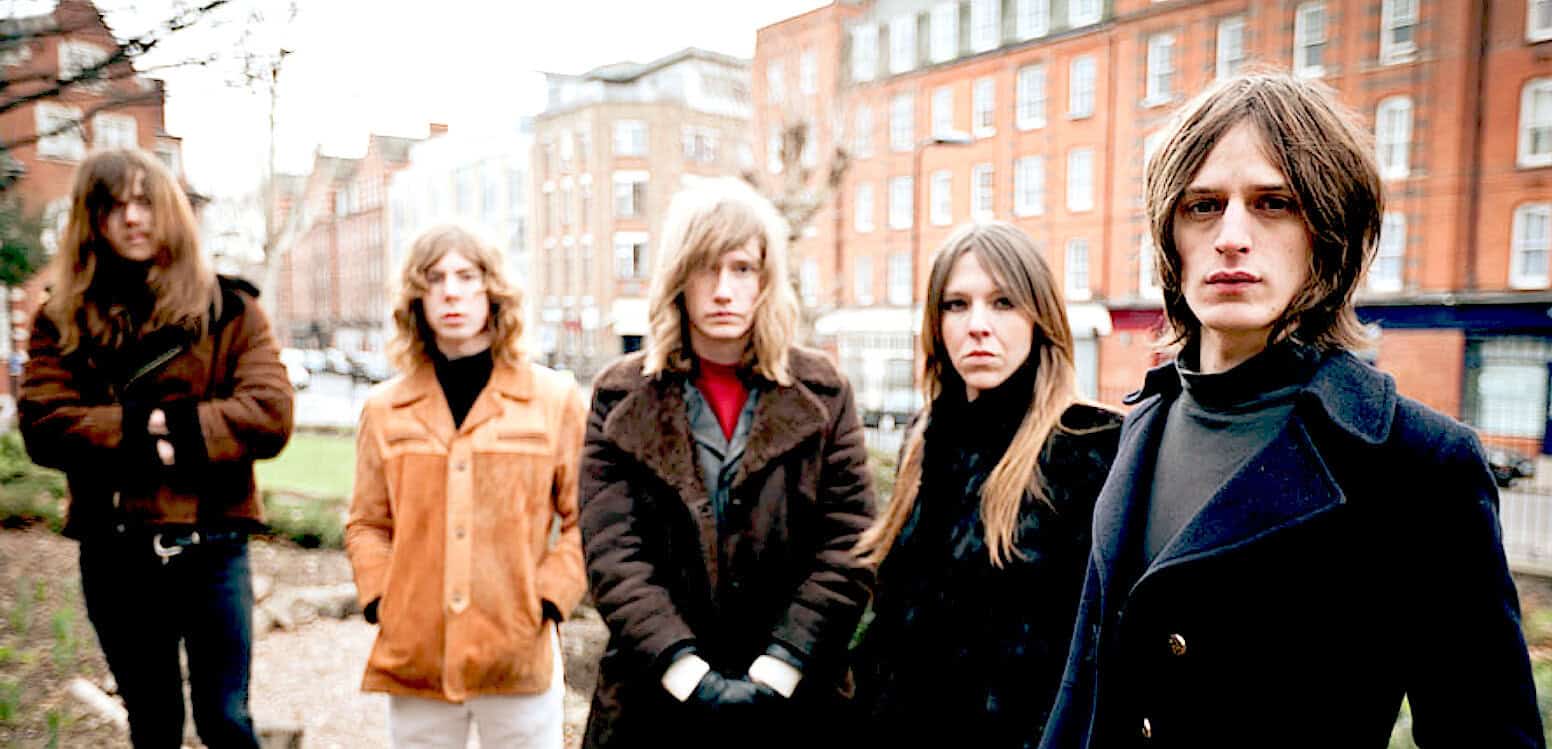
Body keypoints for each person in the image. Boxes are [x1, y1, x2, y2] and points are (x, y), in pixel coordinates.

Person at [1039, 72, 1544, 748]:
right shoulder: (1141, 424)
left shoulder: (1418, 462)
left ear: (1328, 234)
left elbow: (1488, 732)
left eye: (1274, 202)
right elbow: (1083, 696)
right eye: (1202, 205)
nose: (1232, 235)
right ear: (1170, 236)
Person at [578, 177, 876, 749]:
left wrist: (778, 668)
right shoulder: (620, 396)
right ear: (677, 279)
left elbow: (848, 542)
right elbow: (613, 551)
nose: (723, 290)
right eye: (705, 269)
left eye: (742, 269)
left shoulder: (824, 391)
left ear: (767, 281)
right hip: (653, 704)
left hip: (795, 705)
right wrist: (690, 675)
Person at [19, 148, 293, 748]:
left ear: (169, 210)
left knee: (226, 719)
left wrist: (151, 431)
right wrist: (157, 436)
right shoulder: (61, 318)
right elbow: (45, 423)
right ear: (91, 221)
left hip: (214, 541)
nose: (133, 219)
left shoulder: (230, 308)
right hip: (116, 548)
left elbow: (269, 414)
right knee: (154, 722)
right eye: (113, 206)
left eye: (145, 201)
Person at [851, 221, 1121, 748]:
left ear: (1039, 316)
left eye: (1002, 303)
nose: (977, 325)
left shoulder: (1088, 445)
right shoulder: (925, 438)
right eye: (956, 304)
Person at [345, 224, 587, 748]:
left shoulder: (553, 400)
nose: (451, 292)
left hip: (517, 654)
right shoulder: (385, 409)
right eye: (434, 279)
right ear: (417, 297)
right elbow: (367, 521)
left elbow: (585, 517)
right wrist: (385, 600)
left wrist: (545, 603)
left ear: (492, 289)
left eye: (467, 276)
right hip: (418, 657)